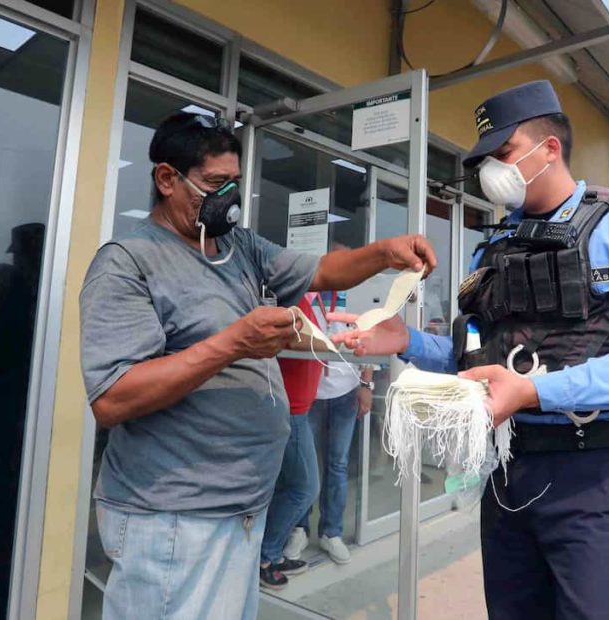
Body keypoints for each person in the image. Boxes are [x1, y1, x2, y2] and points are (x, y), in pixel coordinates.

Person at [329, 81, 609, 619]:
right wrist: (407, 341)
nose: (490, 172)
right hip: (507, 475)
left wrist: (533, 392)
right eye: (484, 161)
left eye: (503, 154)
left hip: (596, 475)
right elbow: (480, 360)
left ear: (550, 150)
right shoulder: (495, 245)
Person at [79, 112, 436, 619]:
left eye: (235, 184)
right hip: (175, 515)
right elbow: (113, 398)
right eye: (214, 184)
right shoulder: (128, 262)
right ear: (166, 179)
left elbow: (320, 270)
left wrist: (383, 252)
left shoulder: (237, 246)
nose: (228, 197)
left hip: (239, 506)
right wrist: (233, 343)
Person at [286, 281, 375, 566]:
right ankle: (299, 529)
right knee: (304, 466)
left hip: (345, 390)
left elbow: (368, 341)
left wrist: (366, 385)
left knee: (337, 464)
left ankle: (331, 532)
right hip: (310, 392)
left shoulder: (357, 293)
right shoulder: (303, 293)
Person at [259, 294, 322, 590]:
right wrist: (335, 344)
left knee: (288, 487)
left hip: (299, 408)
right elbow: (292, 340)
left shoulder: (305, 298)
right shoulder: (288, 299)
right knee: (305, 487)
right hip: (292, 410)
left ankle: (271, 552)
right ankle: (265, 557)